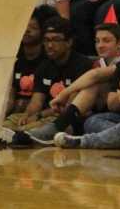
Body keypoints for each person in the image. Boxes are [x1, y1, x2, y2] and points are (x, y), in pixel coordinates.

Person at [15, 23, 120, 144]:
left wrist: (63, 94)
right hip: (104, 116)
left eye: (106, 41)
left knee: (92, 85)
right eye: (97, 41)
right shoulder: (98, 63)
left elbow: (95, 77)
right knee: (90, 122)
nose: (100, 45)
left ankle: (59, 129)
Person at [5, 17, 92, 146]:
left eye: (56, 40)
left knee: (27, 130)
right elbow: (36, 101)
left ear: (69, 42)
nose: (50, 45)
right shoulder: (44, 66)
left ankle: (22, 135)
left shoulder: (82, 65)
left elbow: (69, 107)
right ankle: (14, 134)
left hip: (64, 119)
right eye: (46, 40)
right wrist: (27, 115)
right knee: (4, 125)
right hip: (44, 115)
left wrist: (39, 115)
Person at [2, 11, 46, 126]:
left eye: (33, 27)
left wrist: (28, 115)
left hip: (35, 115)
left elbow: (39, 101)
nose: (26, 30)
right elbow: (10, 97)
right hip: (15, 114)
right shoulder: (16, 61)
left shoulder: (47, 61)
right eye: (24, 26)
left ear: (43, 33)